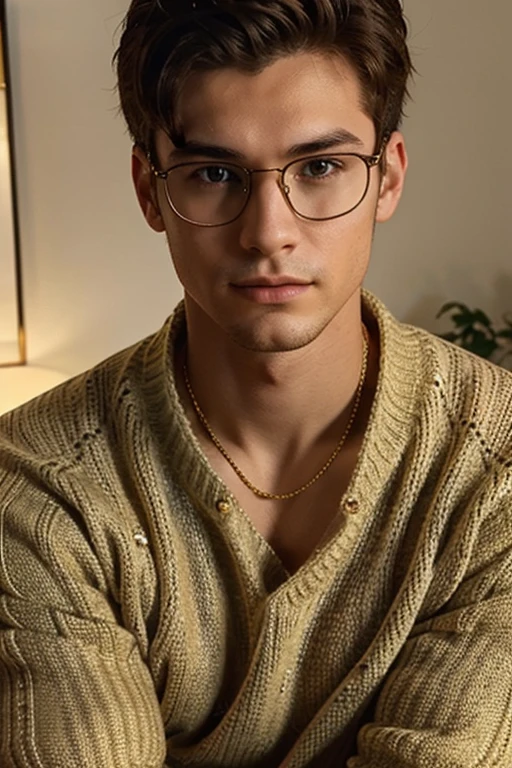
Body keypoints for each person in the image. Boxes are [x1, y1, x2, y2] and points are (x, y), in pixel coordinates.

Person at [1, 0, 511, 765]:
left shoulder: (496, 464)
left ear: (388, 179)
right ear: (150, 191)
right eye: (214, 173)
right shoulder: (41, 485)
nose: (268, 231)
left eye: (319, 167)